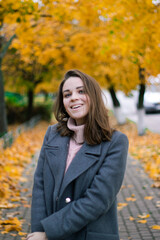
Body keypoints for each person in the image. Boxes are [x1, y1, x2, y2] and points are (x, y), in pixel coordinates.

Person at [27, 69, 129, 240]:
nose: (73, 97)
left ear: (94, 96)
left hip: (89, 235)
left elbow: (97, 200)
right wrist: (38, 231)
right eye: (67, 95)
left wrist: (48, 232)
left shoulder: (115, 142)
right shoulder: (52, 134)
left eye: (81, 91)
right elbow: (40, 186)